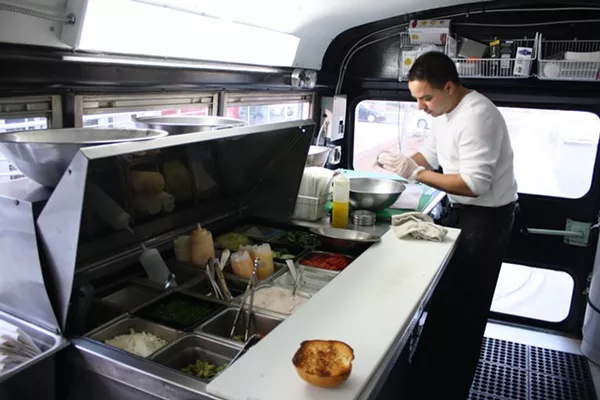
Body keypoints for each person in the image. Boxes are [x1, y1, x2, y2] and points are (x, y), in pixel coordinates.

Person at [376, 51, 518, 399]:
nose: (421, 107)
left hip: (486, 220)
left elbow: (474, 184)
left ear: (450, 87)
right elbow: (433, 155)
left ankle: (448, 389)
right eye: (416, 99)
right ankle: (425, 380)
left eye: (426, 98)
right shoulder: (444, 112)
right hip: (463, 213)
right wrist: (404, 164)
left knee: (464, 311)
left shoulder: (478, 116)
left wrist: (417, 174)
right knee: (444, 304)